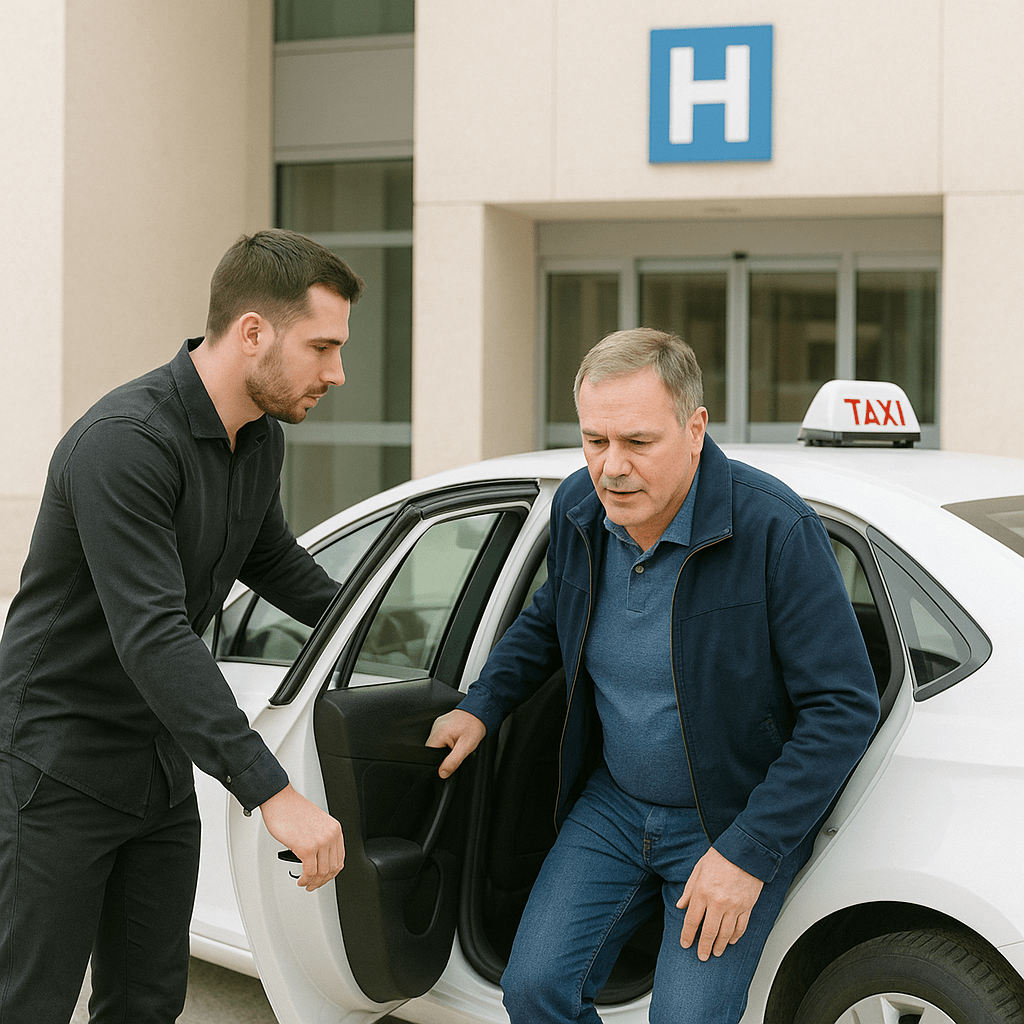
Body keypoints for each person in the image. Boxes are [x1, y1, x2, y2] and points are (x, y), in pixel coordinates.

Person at [426, 328, 881, 1023]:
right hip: (614, 803)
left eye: (637, 442)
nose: (611, 467)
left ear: (694, 429)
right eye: (595, 440)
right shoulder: (579, 508)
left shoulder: (774, 528)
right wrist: (483, 704)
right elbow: (552, 616)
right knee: (534, 990)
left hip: (730, 814)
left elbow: (843, 707)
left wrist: (748, 855)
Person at [0, 229, 363, 1023]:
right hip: (54, 768)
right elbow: (154, 633)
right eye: (323, 347)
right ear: (254, 332)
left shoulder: (256, 439)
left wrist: (386, 629)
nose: (337, 372)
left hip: (158, 768)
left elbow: (274, 562)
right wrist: (272, 792)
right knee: (28, 1002)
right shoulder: (126, 442)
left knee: (148, 1003)